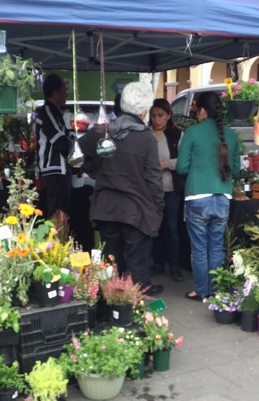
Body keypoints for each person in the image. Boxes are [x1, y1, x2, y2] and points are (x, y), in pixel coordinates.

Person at [79, 81, 164, 295]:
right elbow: (154, 179)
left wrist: (97, 171)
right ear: (144, 110)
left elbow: (77, 155)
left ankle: (111, 311)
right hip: (135, 211)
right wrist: (158, 207)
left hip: (106, 209)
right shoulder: (146, 138)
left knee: (111, 265)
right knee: (136, 267)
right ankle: (132, 315)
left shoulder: (101, 132)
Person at [176, 90, 241, 300]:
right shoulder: (230, 135)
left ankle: (202, 291)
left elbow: (181, 168)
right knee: (216, 246)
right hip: (223, 197)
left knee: (199, 249)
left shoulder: (193, 132)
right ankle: (217, 290)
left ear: (201, 110)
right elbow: (237, 170)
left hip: (197, 197)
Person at [149, 98, 184, 282]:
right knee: (155, 228)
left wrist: (165, 164)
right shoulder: (146, 134)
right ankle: (157, 263)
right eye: (153, 115)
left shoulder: (177, 135)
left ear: (168, 115)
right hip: (150, 190)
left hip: (171, 188)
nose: (157, 119)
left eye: (161, 115)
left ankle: (175, 266)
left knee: (171, 227)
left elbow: (184, 161)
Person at [35, 74, 72, 220]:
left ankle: (62, 241)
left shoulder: (56, 113)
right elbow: (62, 142)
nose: (66, 93)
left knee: (64, 213)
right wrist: (70, 142)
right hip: (53, 170)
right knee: (57, 213)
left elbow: (69, 137)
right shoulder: (47, 112)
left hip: (60, 170)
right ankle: (56, 242)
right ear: (55, 92)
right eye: (64, 90)